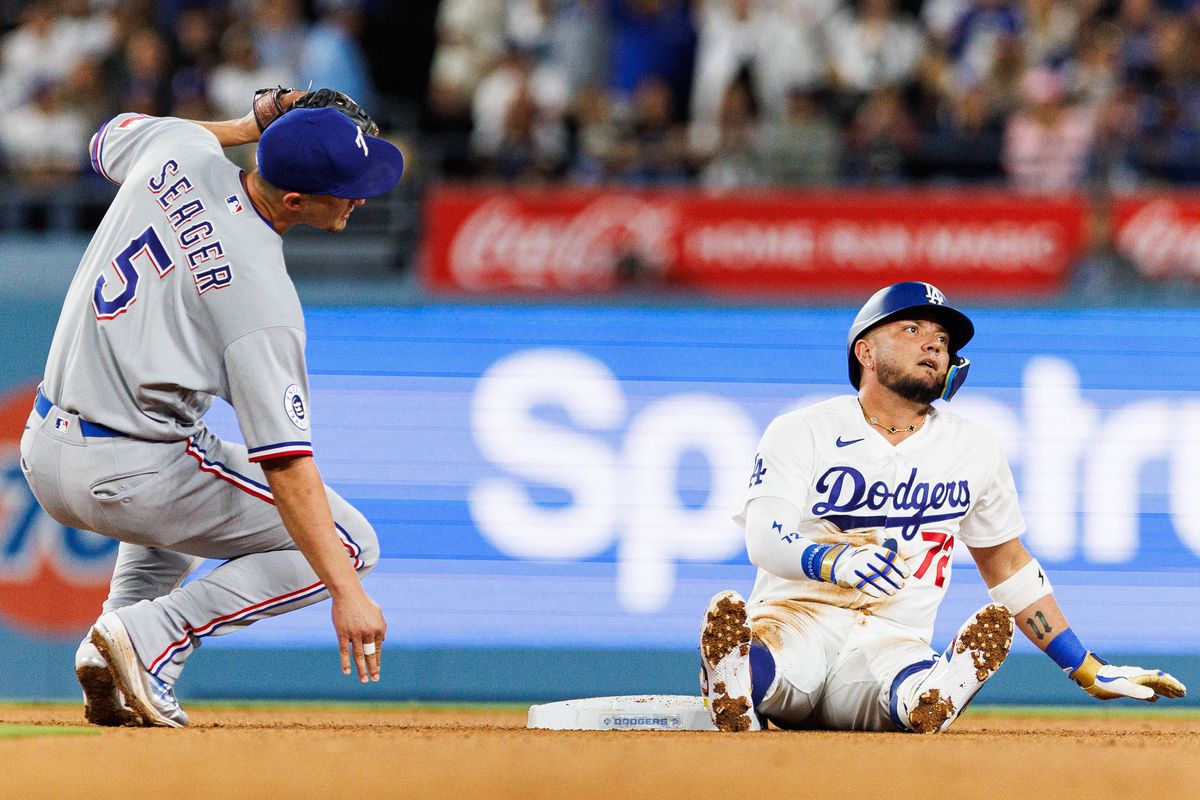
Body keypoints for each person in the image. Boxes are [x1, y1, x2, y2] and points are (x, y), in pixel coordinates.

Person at [19, 89, 404, 727]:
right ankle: (149, 638)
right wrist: (347, 593)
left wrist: (243, 125)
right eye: (348, 186)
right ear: (295, 202)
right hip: (128, 471)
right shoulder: (261, 297)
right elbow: (286, 466)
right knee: (351, 545)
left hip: (47, 446)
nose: (361, 196)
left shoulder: (178, 149)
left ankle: (110, 643)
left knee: (188, 466)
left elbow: (105, 138)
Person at [699, 281, 1186, 733]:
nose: (933, 344)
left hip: (892, 636)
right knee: (779, 666)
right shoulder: (803, 429)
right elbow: (764, 534)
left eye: (941, 338)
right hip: (797, 617)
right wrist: (836, 559)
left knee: (909, 691)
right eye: (911, 329)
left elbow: (1008, 566)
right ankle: (737, 678)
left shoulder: (973, 446)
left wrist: (1084, 666)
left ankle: (938, 690)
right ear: (864, 351)